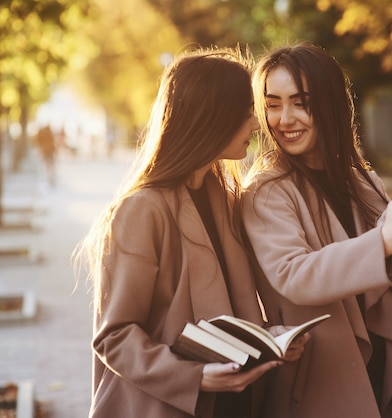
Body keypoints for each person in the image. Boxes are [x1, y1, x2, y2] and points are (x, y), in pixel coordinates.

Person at [73, 48, 308, 418]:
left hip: (234, 402)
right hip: (166, 406)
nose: (257, 124)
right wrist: (193, 376)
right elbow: (114, 336)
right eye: (247, 113)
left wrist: (268, 336)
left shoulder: (224, 197)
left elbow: (220, 311)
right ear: (213, 118)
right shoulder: (141, 210)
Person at [241, 43, 392, 418]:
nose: (284, 119)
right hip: (323, 382)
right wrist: (385, 241)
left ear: (331, 104)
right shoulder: (267, 191)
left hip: (382, 373)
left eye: (300, 102)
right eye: (272, 104)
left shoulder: (363, 183)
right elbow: (294, 274)